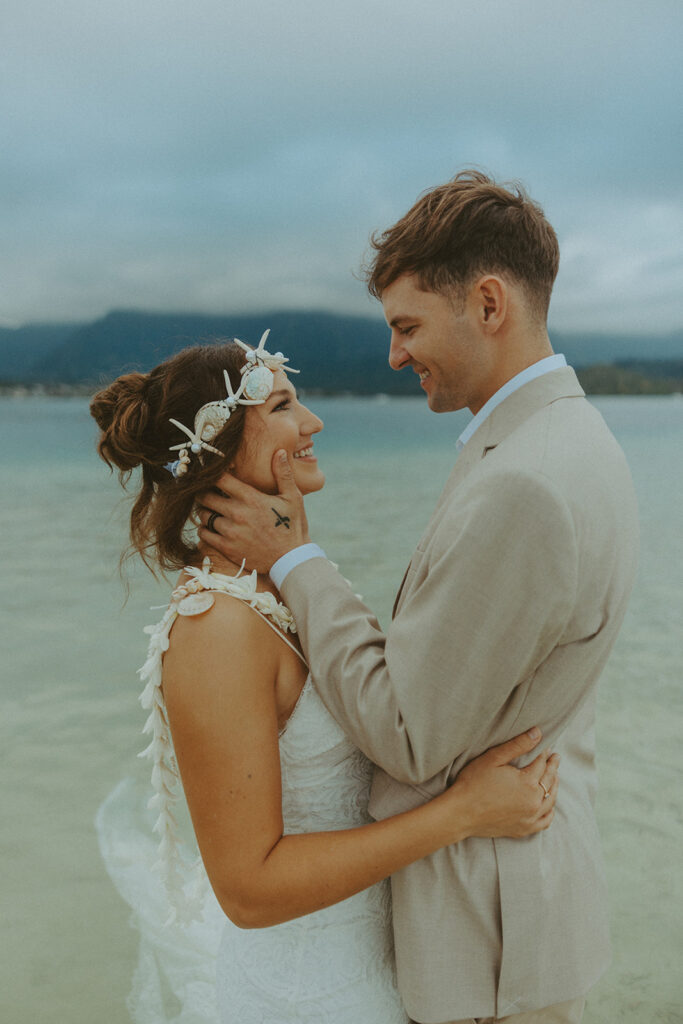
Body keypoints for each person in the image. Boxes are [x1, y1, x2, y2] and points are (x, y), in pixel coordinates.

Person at [197, 171, 640, 1024]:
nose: (395, 356)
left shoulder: (526, 483)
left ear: (486, 303)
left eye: (406, 326)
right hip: (516, 914)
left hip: (488, 947)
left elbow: (407, 734)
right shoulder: (563, 439)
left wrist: (295, 559)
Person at [90, 331, 560, 1024]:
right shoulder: (216, 629)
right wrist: (462, 813)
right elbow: (248, 889)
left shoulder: (283, 590)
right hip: (305, 999)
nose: (311, 422)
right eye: (282, 405)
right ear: (216, 449)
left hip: (373, 976)